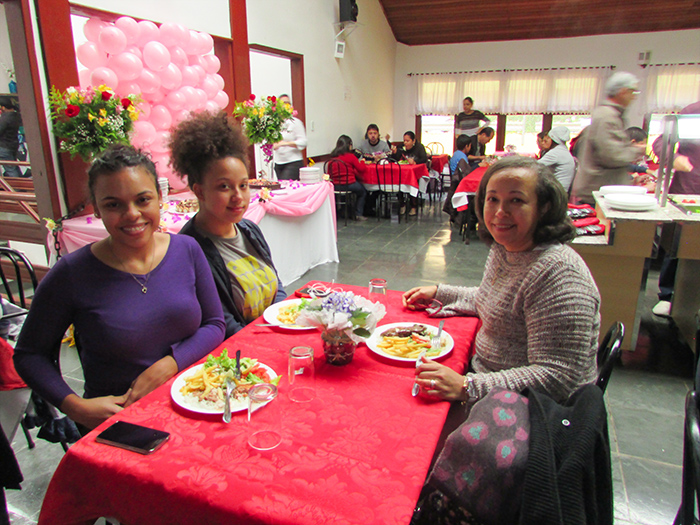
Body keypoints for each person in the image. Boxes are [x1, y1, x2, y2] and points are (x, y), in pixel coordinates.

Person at [13, 145, 226, 431]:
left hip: (197, 401)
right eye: (114, 205)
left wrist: (170, 364)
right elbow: (29, 354)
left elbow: (214, 324)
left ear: (159, 198)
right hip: (122, 420)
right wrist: (75, 406)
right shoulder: (72, 273)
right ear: (97, 209)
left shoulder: (187, 249)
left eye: (143, 199)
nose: (132, 214)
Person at [403, 156, 600, 405]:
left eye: (516, 200)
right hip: (488, 378)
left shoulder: (560, 275)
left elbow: (558, 378)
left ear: (544, 207)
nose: (499, 212)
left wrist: (468, 386)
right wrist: (439, 293)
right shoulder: (506, 248)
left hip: (529, 409)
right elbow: (495, 301)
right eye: (492, 199)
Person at [170, 111, 287, 338]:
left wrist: (283, 321)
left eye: (243, 185)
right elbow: (223, 324)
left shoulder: (249, 230)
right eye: (224, 187)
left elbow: (277, 285)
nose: (238, 197)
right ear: (199, 191)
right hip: (241, 352)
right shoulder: (190, 250)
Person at [651, 101, 700, 318]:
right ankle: (668, 295)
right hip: (690, 190)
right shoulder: (694, 111)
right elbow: (661, 143)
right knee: (679, 245)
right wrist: (674, 157)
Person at [570, 72, 646, 205]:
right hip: (597, 191)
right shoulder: (607, 116)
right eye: (633, 92)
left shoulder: (611, 115)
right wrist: (637, 150)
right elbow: (612, 156)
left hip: (603, 189)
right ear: (623, 92)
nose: (634, 97)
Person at [328, 135, 369, 221]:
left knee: (343, 194)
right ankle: (358, 214)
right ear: (349, 145)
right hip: (349, 184)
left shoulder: (332, 158)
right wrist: (362, 162)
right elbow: (361, 169)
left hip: (335, 185)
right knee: (363, 192)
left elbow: (329, 174)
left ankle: (343, 211)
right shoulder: (351, 157)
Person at [391, 131, 428, 215]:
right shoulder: (401, 147)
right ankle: (402, 204)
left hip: (416, 172)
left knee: (413, 183)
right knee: (398, 181)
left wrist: (415, 162)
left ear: (413, 141)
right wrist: (395, 153)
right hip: (403, 172)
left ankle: (413, 206)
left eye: (407, 141)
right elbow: (395, 159)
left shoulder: (419, 147)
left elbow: (424, 159)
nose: (405, 143)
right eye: (404, 140)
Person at [273, 94, 307, 180]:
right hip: (278, 163)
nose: (286, 105)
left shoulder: (295, 122)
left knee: (286, 186)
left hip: (293, 162)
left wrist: (284, 143)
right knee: (280, 186)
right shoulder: (275, 123)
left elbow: (303, 142)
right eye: (284, 103)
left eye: (288, 103)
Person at [443, 134, 474, 222]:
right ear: (467, 146)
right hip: (459, 182)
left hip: (454, 181)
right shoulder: (462, 157)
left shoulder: (456, 153)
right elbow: (465, 172)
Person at [537, 126, 576, 192]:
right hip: (561, 190)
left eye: (548, 138)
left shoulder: (556, 153)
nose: (545, 141)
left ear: (553, 139)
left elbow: (534, 166)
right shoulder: (563, 150)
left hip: (556, 193)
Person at [0, 96, 22, 178]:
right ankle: (21, 183)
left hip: (3, 146)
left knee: (11, 169)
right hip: (13, 145)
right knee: (14, 166)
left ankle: (17, 186)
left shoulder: (5, 118)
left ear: (3, 107)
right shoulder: (15, 116)